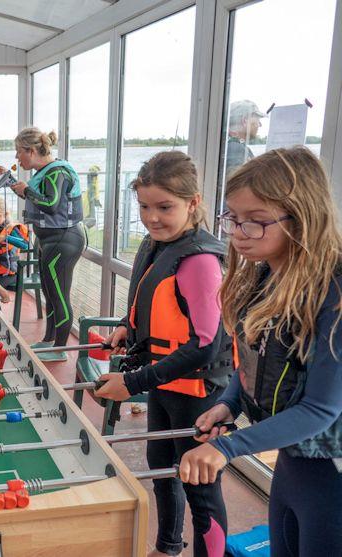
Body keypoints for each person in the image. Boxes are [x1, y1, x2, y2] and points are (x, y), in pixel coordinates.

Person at [180, 147, 342, 556]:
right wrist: (230, 404)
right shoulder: (267, 275)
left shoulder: (335, 296)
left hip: (331, 477)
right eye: (233, 218)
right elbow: (254, 355)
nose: (237, 232)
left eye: (254, 222)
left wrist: (227, 447)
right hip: (292, 466)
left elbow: (322, 410)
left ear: (302, 218)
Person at [93, 151, 231, 557]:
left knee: (200, 487)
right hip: (165, 385)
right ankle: (168, 545)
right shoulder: (158, 245)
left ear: (193, 203)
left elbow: (205, 344)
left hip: (198, 395)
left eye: (165, 207)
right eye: (144, 207)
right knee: (162, 470)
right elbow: (155, 301)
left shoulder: (201, 261)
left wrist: (133, 382)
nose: (153, 217)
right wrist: (126, 326)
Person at [0, 128, 85, 361]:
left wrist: (26, 190)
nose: (17, 157)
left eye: (18, 152)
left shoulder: (58, 172)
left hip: (64, 240)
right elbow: (33, 195)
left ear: (31, 151)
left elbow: (51, 203)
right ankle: (49, 341)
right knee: (49, 292)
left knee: (59, 295)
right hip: (50, 240)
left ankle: (59, 349)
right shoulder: (45, 172)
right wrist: (10, 179)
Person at [0, 197, 29, 290]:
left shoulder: (11, 229)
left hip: (8, 274)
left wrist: (5, 238)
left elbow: (25, 245)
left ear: (5, 214)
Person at [224, 100, 266, 178]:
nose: (260, 125)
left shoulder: (226, 145)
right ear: (245, 121)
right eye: (257, 120)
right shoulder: (236, 149)